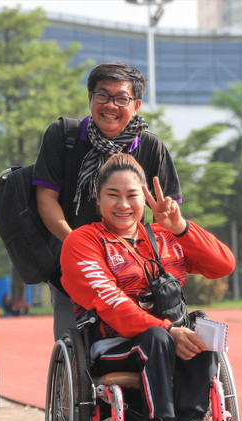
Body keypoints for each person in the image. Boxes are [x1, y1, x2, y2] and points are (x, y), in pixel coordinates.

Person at [60, 154, 235, 421]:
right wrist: (166, 329)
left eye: (131, 195)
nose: (123, 204)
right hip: (114, 345)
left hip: (171, 338)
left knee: (202, 326)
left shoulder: (164, 237)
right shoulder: (83, 241)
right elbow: (110, 303)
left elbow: (223, 265)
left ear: (144, 197)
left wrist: (181, 228)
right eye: (113, 195)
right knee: (158, 338)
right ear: (97, 199)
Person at [34, 62, 182, 339]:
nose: (110, 105)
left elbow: (168, 214)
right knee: (76, 347)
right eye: (102, 95)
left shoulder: (151, 147)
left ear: (136, 105)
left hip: (135, 270)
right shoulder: (63, 137)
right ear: (90, 98)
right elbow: (46, 200)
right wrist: (80, 249)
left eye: (121, 99)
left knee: (152, 342)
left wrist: (167, 217)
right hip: (73, 267)